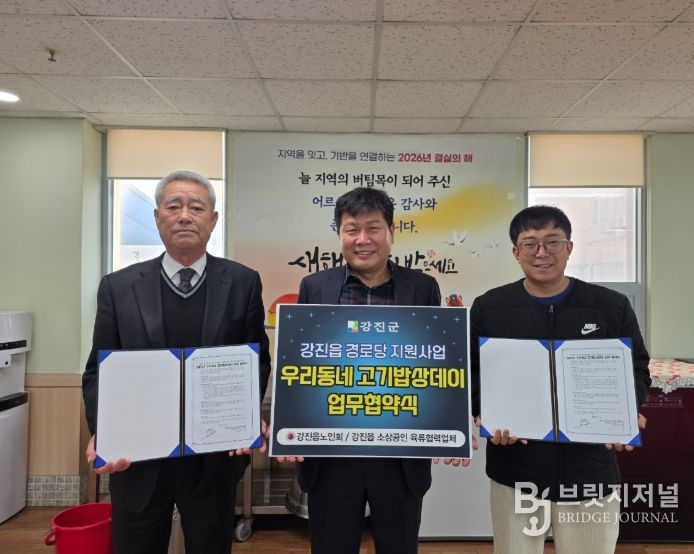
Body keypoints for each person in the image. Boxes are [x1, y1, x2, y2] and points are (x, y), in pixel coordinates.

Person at [82, 170, 271, 554]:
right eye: (174, 206)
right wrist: (106, 431)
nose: (185, 216)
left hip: (213, 458)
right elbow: (99, 371)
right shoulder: (118, 287)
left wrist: (246, 417)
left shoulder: (242, 282)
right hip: (137, 457)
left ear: (212, 220)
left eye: (196, 207)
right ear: (157, 217)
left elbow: (257, 362)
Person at [470, 205, 651, 554]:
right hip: (516, 470)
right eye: (530, 244)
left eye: (553, 242)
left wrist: (626, 411)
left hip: (590, 468)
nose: (542, 253)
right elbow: (475, 373)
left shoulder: (610, 306)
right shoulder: (489, 307)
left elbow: (637, 368)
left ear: (569, 247)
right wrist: (485, 413)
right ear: (516, 252)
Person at [279, 187, 441, 554]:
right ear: (339, 234)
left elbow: (434, 363)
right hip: (332, 455)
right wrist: (290, 428)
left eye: (373, 228)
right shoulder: (315, 287)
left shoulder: (422, 287)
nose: (363, 239)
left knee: (399, 546)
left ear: (391, 232)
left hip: (399, 455)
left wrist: (446, 425)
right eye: (352, 229)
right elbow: (301, 364)